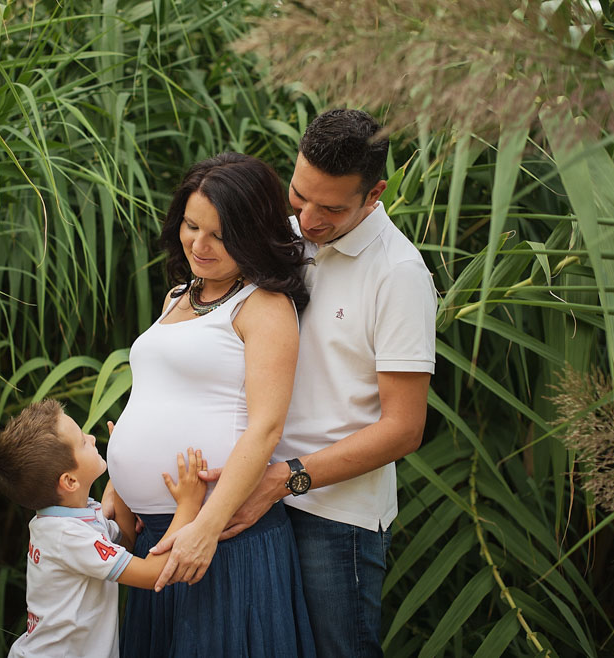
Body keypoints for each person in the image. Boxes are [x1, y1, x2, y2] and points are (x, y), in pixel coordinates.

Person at [152, 109, 437, 657]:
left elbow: (404, 429)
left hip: (334, 517)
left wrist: (284, 480)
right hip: (246, 498)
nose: (307, 220)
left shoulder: (398, 274)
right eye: (298, 196)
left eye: (330, 208)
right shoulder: (277, 239)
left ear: (374, 194)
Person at [104, 152, 315, 657]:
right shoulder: (180, 294)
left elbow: (265, 429)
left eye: (219, 235)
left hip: (219, 541)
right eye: (190, 225)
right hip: (154, 537)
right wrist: (119, 480)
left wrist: (206, 527)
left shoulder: (264, 305)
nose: (199, 244)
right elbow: (154, 393)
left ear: (253, 233)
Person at [0, 399, 208, 658]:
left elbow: (124, 541)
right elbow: (152, 574)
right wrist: (188, 506)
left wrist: (122, 470)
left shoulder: (76, 517)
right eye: (82, 441)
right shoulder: (68, 537)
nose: (92, 438)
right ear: (69, 481)